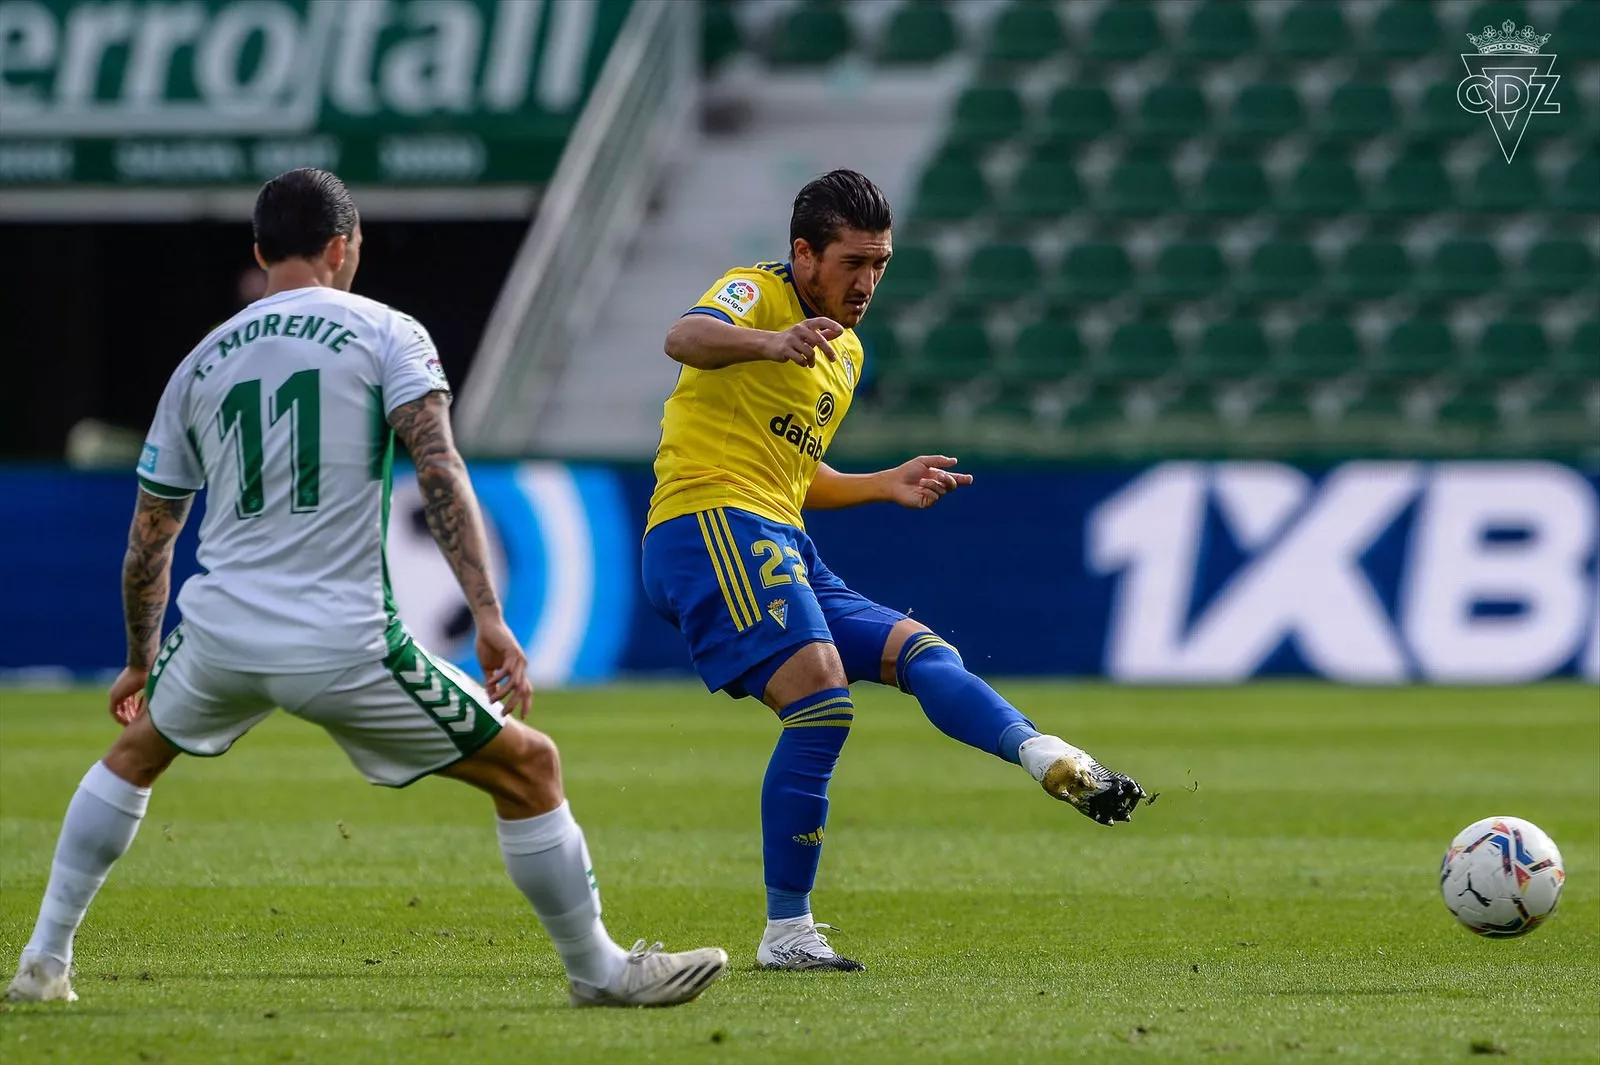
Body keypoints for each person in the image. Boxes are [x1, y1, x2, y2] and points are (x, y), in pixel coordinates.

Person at [7, 168, 726, 1009]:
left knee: (132, 758)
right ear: (343, 246)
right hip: (340, 640)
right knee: (531, 766)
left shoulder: (199, 363)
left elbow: (149, 540)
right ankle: (599, 969)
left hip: (219, 635)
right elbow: (439, 469)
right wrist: (489, 615)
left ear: (260, 252)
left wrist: (139, 659)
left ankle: (43, 961)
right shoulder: (388, 331)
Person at [641, 170, 1148, 972]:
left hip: (780, 534)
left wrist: (882, 483)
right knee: (820, 702)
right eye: (852, 262)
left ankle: (1044, 752)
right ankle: (787, 933)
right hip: (705, 524)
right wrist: (772, 341)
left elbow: (794, 474)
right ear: (804, 254)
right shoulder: (756, 293)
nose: (867, 282)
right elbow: (684, 337)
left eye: (880, 263)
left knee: (923, 651)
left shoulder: (845, 355)